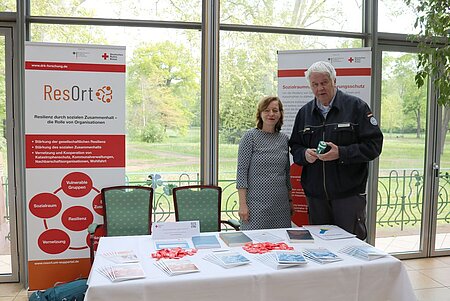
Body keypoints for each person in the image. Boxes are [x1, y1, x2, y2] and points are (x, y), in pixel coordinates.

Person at [289, 61, 383, 240]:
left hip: (348, 196)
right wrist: (305, 155)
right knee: (320, 248)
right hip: (316, 198)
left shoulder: (357, 107)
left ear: (334, 80)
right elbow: (295, 147)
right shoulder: (304, 113)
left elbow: (374, 146)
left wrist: (341, 153)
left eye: (324, 82)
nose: (320, 89)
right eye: (315, 84)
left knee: (351, 247)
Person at [236, 96, 294, 230]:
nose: (271, 114)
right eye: (267, 110)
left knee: (281, 245)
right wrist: (242, 205)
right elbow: (241, 172)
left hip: (281, 206)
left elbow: (286, 174)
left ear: (280, 114)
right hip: (255, 206)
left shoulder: (284, 139)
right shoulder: (250, 137)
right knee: (255, 246)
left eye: (275, 110)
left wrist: (290, 201)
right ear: (260, 113)